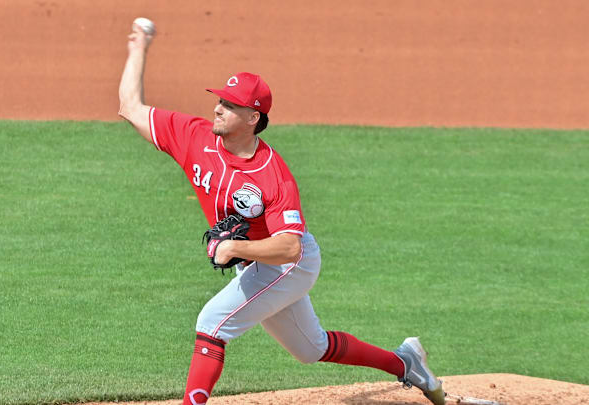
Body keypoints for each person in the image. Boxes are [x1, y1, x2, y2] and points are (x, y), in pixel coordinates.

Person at [118, 21, 446, 405]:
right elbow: (130, 107)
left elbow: (289, 247)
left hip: (290, 264)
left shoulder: (273, 174)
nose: (217, 108)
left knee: (211, 324)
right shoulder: (194, 136)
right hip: (261, 263)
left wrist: (235, 250)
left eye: (229, 105)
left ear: (253, 117)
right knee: (311, 347)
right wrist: (139, 47)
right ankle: (406, 363)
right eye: (219, 100)